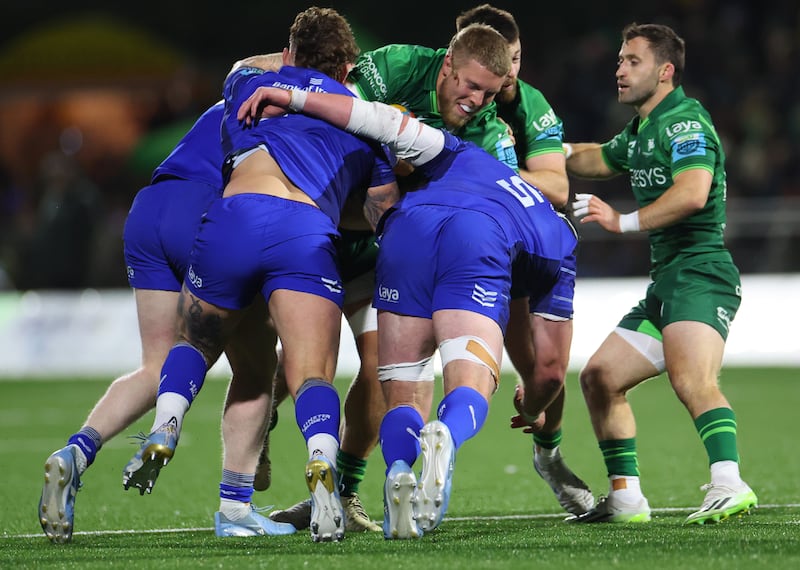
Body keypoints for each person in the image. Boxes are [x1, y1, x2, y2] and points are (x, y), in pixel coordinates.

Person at [237, 46, 578, 539]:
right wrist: (532, 405)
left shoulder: (455, 151)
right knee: (469, 376)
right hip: (474, 243)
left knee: (401, 384)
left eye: (487, 92)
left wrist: (288, 94)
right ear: (447, 65)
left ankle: (397, 470)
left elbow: (372, 118)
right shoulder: (558, 234)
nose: (477, 99)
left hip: (404, 234)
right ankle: (447, 433)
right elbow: (548, 371)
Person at [121, 7, 399, 543]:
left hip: (231, 217)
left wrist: (292, 55)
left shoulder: (248, 83)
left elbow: (242, 63)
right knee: (311, 371)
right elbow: (380, 211)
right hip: (302, 229)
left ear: (290, 54)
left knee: (196, 343)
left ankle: (166, 424)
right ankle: (322, 462)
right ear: (346, 68)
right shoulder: (365, 117)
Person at [36, 93, 297, 541]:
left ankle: (76, 453)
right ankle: (235, 508)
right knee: (257, 368)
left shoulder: (241, 88)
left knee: (156, 367)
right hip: (206, 211)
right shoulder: (302, 105)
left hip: (150, 209)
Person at [563, 22, 757, 524]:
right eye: (620, 59)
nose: (619, 69)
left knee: (693, 378)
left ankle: (729, 483)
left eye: (633, 61)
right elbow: (599, 159)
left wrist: (621, 220)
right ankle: (626, 499)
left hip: (702, 272)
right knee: (601, 377)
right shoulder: (642, 129)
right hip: (668, 280)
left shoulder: (684, 123)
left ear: (664, 71)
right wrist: (544, 151)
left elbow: (694, 192)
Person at [455, 3, 593, 516]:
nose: (507, 71)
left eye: (513, 58)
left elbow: (557, 187)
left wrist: (487, 175)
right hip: (488, 253)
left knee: (551, 376)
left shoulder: (530, 105)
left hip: (537, 243)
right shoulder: (446, 97)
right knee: (529, 367)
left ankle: (549, 455)